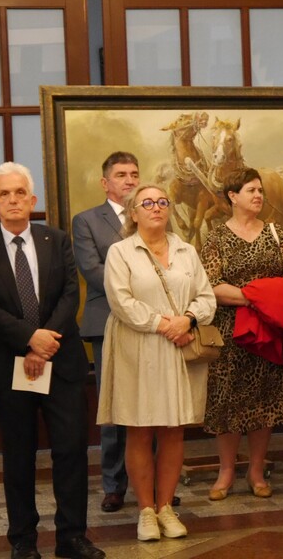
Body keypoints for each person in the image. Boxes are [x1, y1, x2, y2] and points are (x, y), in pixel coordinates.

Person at [0, 162, 104, 559]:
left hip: (61, 361)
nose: (13, 200)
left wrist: (43, 343)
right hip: (7, 363)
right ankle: (23, 541)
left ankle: (72, 537)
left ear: (32, 199)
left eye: (20, 192)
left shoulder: (55, 240)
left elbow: (70, 295)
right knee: (18, 454)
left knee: (71, 451)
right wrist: (29, 340)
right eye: (5, 194)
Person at [96, 183, 216, 542]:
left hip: (180, 349)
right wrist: (166, 324)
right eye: (147, 203)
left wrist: (188, 319)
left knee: (174, 429)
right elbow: (121, 301)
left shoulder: (186, 250)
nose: (156, 207)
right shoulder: (121, 251)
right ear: (133, 213)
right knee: (140, 428)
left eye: (162, 202)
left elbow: (206, 297)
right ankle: (146, 512)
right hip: (138, 347)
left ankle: (166, 507)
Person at [201, 167, 283, 501]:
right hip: (230, 334)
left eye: (260, 190)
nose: (258, 195)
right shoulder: (216, 237)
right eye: (251, 190)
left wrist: (258, 298)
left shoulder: (276, 233)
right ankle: (226, 472)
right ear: (232, 196)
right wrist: (259, 297)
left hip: (271, 331)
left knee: (265, 402)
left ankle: (256, 471)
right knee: (227, 403)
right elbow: (211, 285)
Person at [71, 151, 139, 513]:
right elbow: (92, 270)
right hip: (108, 321)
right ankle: (114, 485)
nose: (129, 180)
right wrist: (138, 294)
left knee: (150, 405)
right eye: (121, 174)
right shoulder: (86, 221)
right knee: (113, 407)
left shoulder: (150, 212)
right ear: (105, 182)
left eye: (134, 174)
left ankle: (152, 482)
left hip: (151, 324)